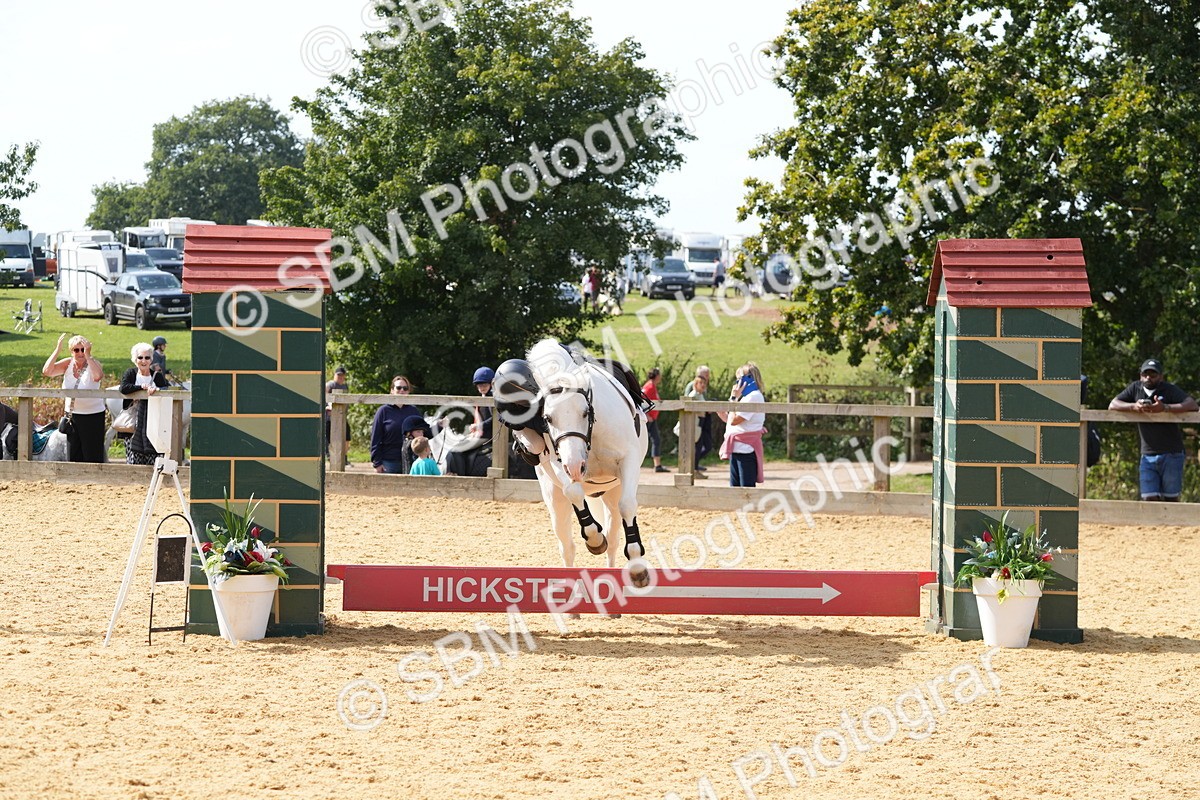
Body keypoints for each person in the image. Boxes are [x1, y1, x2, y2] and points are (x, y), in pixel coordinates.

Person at [1108, 359, 1198, 501]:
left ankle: (1171, 524)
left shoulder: (1169, 389)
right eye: (1145, 374)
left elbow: (1192, 404)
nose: (1148, 378)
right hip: (1147, 454)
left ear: (1161, 377)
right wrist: (1134, 407)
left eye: (1153, 374)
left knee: (1171, 499)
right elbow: (1113, 404)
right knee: (1149, 498)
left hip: (1172, 453)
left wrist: (1165, 408)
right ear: (1140, 376)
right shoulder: (1135, 388)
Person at [42, 333, 106, 463]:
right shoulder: (68, 364)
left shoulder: (93, 363)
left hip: (93, 415)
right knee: (74, 454)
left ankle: (95, 480)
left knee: (92, 454)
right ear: (71, 351)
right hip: (73, 416)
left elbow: (97, 376)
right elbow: (47, 371)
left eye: (83, 349)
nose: (80, 353)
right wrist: (57, 350)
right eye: (76, 350)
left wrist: (88, 355)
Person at [119, 342, 171, 465]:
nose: (143, 361)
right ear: (135, 359)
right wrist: (141, 388)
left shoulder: (156, 376)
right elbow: (124, 388)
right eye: (140, 357)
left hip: (154, 422)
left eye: (147, 358)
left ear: (151, 360)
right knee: (133, 456)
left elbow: (166, 388)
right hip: (133, 422)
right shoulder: (130, 373)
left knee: (154, 454)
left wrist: (157, 391)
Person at [718, 362, 766, 487]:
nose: (736, 384)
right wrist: (725, 413)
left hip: (746, 448)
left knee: (746, 489)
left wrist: (733, 398)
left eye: (739, 379)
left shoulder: (753, 397)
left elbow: (735, 420)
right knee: (735, 487)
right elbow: (732, 420)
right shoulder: (745, 398)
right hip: (737, 447)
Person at [445, 367, 495, 477]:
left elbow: (495, 419)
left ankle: (461, 478)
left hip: (487, 436)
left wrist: (479, 426)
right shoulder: (482, 398)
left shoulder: (491, 398)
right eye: (479, 385)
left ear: (491, 384)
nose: (481, 388)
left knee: (456, 451)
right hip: (480, 434)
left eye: (484, 385)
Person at [370, 375, 423, 473]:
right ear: (392, 390)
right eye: (398, 388)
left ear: (408, 391)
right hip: (389, 461)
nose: (402, 390)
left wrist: (439, 426)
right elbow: (375, 438)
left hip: (411, 460)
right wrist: (377, 463)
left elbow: (424, 434)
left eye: (405, 388)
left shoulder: (413, 411)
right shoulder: (383, 411)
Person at [684, 365, 714, 475]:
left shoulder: (701, 393)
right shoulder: (692, 391)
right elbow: (688, 404)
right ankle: (692, 467)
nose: (704, 382)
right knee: (698, 445)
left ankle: (694, 465)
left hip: (702, 421)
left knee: (703, 445)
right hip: (695, 422)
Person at [642, 367, 667, 473]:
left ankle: (657, 465)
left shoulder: (652, 386)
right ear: (656, 376)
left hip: (652, 419)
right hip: (648, 419)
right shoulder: (650, 386)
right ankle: (656, 465)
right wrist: (646, 414)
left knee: (655, 440)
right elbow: (641, 400)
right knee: (650, 440)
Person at [325, 366, 350, 456]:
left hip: (342, 414)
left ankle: (344, 456)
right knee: (329, 437)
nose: (340, 377)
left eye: (342, 375)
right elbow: (323, 394)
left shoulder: (345, 386)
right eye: (338, 375)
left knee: (346, 436)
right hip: (330, 415)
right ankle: (329, 455)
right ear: (335, 375)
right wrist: (327, 406)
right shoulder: (330, 384)